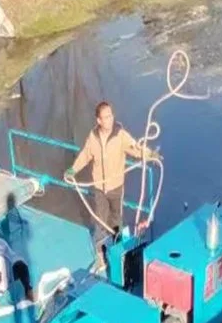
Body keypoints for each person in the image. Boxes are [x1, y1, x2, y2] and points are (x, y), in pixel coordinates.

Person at [67, 101, 158, 259]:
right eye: (106, 117)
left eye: (111, 115)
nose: (110, 119)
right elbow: (85, 155)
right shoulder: (93, 137)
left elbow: (134, 148)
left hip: (116, 187)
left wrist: (150, 154)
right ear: (99, 120)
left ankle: (119, 252)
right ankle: (100, 254)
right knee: (100, 221)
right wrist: (73, 169)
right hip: (100, 189)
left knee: (117, 220)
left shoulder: (120, 135)